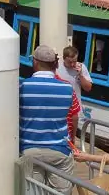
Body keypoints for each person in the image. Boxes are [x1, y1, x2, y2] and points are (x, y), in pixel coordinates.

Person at [19, 45, 76, 194]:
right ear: (56, 64)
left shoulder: (22, 86)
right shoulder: (68, 89)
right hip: (60, 150)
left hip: (29, 149)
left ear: (35, 63)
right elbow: (71, 116)